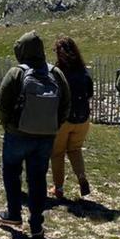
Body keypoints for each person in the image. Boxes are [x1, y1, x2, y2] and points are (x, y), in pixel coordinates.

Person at [0, 31, 70, 238]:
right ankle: (36, 224)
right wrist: (54, 126)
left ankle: (13, 213)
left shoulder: (16, 73)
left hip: (17, 134)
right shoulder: (56, 73)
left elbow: (3, 104)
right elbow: (66, 105)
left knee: (11, 172)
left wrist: (9, 125)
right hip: (46, 137)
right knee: (37, 178)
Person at [49, 37, 94, 199]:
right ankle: (81, 177)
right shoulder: (83, 71)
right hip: (83, 119)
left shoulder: (57, 72)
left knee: (57, 153)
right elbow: (90, 93)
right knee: (75, 150)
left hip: (64, 120)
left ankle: (59, 188)